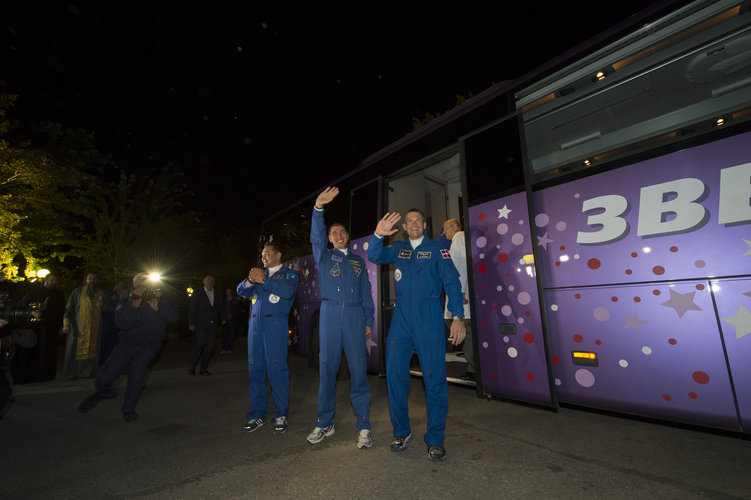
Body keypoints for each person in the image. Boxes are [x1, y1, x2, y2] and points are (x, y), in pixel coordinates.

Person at [367, 209, 466, 462]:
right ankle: (401, 432)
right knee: (395, 376)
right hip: (401, 321)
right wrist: (378, 234)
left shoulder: (437, 250)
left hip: (429, 320)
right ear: (404, 227)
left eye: (418, 220)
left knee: (434, 380)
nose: (413, 224)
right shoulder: (398, 248)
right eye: (409, 221)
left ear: (424, 224)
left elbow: (453, 283)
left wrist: (457, 317)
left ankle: (435, 439)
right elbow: (374, 255)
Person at [306, 187, 375, 449]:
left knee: (358, 372)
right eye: (334, 233)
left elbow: (366, 295)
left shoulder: (358, 262)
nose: (339, 235)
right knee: (327, 371)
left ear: (348, 237)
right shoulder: (323, 256)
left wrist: (368, 320)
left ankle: (364, 425)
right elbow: (316, 235)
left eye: (343, 232)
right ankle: (325, 423)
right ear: (331, 239)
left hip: (356, 317)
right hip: (330, 316)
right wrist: (318, 209)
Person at [78, 273, 178, 422]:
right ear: (134, 284)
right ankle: (104, 392)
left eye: (146, 281)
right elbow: (122, 324)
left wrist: (158, 309)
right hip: (127, 343)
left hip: (150, 344)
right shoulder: (126, 298)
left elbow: (173, 317)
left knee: (138, 372)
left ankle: (128, 408)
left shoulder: (161, 297)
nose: (143, 284)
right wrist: (134, 305)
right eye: (140, 281)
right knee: (106, 375)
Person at [236, 244, 298, 434]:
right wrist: (250, 279)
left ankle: (281, 414)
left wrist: (264, 281)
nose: (263, 257)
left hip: (275, 328)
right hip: (255, 329)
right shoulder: (258, 275)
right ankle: (258, 413)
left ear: (278, 255)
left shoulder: (289, 275)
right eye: (262, 254)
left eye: (267, 254)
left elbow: (287, 292)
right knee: (255, 371)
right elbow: (241, 291)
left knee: (277, 370)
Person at [442, 218, 475, 381]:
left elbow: (460, 265)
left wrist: (460, 292)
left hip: (460, 296)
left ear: (455, 226)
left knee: (467, 332)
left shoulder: (459, 237)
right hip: (457, 293)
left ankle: (474, 370)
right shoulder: (458, 239)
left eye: (445, 228)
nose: (444, 232)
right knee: (462, 331)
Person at [62, 271, 107, 379]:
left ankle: (88, 373)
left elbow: (106, 310)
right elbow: (68, 309)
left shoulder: (101, 293)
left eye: (94, 278)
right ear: (86, 280)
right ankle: (71, 373)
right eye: (89, 278)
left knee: (92, 350)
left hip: (94, 328)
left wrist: (102, 306)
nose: (92, 281)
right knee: (74, 349)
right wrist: (66, 324)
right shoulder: (77, 292)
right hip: (78, 326)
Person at [187, 275, 227, 375]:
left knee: (210, 347)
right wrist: (191, 323)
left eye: (212, 281)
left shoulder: (217, 293)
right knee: (201, 343)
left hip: (212, 324)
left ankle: (203, 368)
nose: (210, 283)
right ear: (204, 282)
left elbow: (221, 306)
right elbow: (192, 309)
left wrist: (223, 317)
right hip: (201, 324)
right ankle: (191, 365)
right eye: (208, 281)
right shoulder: (198, 293)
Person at [100, 279, 128, 364]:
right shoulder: (110, 294)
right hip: (109, 322)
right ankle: (101, 361)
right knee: (105, 342)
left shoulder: (127, 297)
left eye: (123, 285)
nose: (121, 287)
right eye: (119, 284)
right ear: (116, 285)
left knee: (117, 343)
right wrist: (116, 309)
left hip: (120, 325)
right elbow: (104, 307)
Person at [220, 288, 240, 354]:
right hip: (225, 320)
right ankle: (224, 348)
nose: (229, 292)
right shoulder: (223, 300)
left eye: (230, 291)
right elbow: (221, 310)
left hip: (232, 320)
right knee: (224, 334)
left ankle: (229, 348)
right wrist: (223, 317)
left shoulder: (235, 301)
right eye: (227, 291)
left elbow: (237, 310)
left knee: (231, 334)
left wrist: (233, 315)